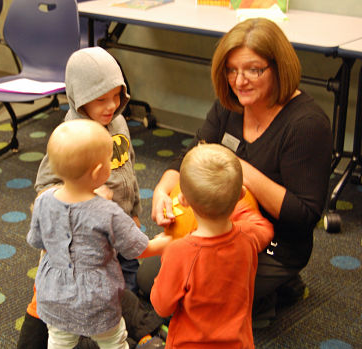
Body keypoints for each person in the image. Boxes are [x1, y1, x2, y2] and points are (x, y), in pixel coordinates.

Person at [139, 17, 333, 325]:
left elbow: (304, 215)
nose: (239, 80)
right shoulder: (230, 104)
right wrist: (163, 190)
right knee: (150, 278)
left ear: (279, 67)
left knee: (197, 295)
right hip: (216, 225)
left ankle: (276, 291)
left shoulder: (307, 125)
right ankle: (254, 297)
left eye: (254, 69)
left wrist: (240, 169)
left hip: (274, 243)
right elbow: (193, 153)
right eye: (231, 70)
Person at [18, 47, 165, 349]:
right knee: (86, 296)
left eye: (117, 95)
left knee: (123, 287)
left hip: (120, 226)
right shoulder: (70, 136)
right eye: (101, 99)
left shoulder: (118, 122)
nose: (112, 105)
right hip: (86, 238)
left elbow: (127, 170)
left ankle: (138, 331)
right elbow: (45, 186)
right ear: (80, 97)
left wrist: (133, 211)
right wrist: (83, 198)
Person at [27, 119, 171, 349]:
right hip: (96, 299)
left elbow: (37, 240)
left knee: (59, 342)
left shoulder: (43, 201)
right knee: (114, 341)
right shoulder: (108, 212)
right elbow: (139, 249)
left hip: (53, 294)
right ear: (98, 171)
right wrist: (168, 242)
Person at [150, 143, 274, 348]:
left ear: (183, 200)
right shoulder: (248, 237)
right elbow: (265, 228)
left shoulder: (178, 252)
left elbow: (161, 306)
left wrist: (165, 258)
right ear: (242, 194)